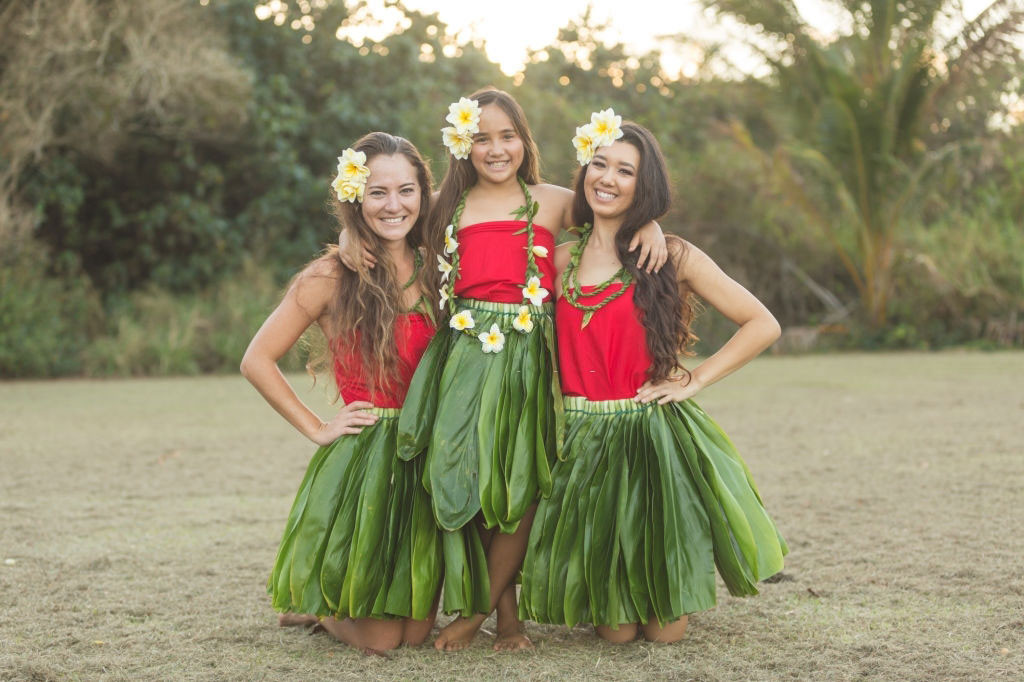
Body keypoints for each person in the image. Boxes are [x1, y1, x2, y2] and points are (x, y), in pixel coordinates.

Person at [384, 88, 668, 651]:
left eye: (507, 135)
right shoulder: (446, 204)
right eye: (481, 137)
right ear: (463, 143)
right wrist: (348, 232)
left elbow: (613, 212)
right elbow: (386, 221)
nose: (496, 148)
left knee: (523, 485)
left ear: (524, 141)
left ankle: (482, 613)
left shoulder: (554, 200)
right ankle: (503, 618)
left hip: (529, 358)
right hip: (465, 354)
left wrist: (652, 225)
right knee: (473, 480)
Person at [519, 116, 788, 643]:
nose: (608, 179)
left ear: (646, 187)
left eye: (627, 171)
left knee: (667, 633)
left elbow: (763, 324)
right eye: (600, 164)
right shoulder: (557, 260)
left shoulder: (670, 255)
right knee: (616, 635)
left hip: (650, 436)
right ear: (584, 171)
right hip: (583, 441)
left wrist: (696, 378)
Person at [240, 132, 443, 653]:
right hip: (367, 455)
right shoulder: (330, 275)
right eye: (377, 193)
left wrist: (644, 217)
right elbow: (256, 360)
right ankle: (318, 612)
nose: (393, 205)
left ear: (424, 194)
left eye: (406, 190)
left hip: (427, 450)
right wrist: (317, 426)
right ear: (355, 197)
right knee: (380, 642)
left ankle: (342, 606)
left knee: (416, 633)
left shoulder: (441, 266)